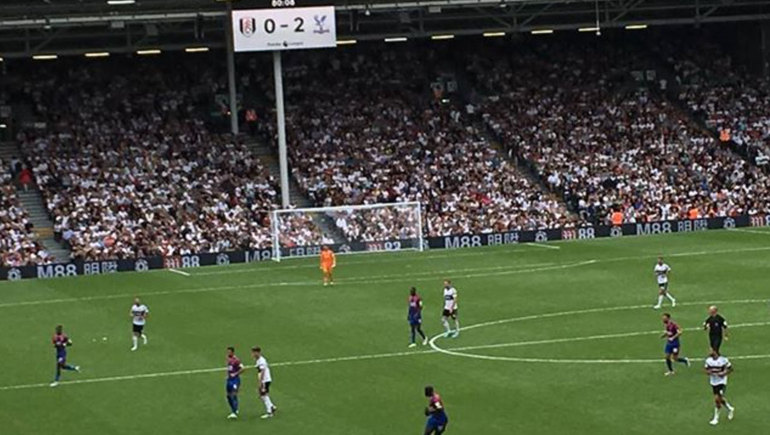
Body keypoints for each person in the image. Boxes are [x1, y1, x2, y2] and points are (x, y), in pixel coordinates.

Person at [705, 349, 735, 425]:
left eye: (710, 350)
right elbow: (706, 370)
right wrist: (709, 372)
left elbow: (731, 369)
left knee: (717, 399)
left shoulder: (723, 360)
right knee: (720, 399)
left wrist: (724, 373)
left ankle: (716, 418)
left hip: (722, 382)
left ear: (715, 351)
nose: (709, 352)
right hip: (713, 382)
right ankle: (730, 408)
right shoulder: (708, 360)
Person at [251, 346, 277, 419]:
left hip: (265, 380)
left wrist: (260, 382)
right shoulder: (258, 360)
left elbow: (262, 371)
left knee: (263, 395)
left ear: (258, 352)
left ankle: (269, 412)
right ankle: (272, 406)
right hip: (265, 380)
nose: (252, 354)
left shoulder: (261, 361)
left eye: (254, 352)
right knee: (263, 394)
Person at [225, 346, 244, 419]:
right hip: (229, 380)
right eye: (227, 351)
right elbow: (229, 369)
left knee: (234, 394)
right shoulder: (228, 358)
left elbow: (243, 368)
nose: (228, 353)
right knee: (228, 396)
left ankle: (234, 412)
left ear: (232, 352)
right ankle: (234, 409)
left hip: (235, 380)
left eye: (229, 352)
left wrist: (235, 374)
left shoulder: (236, 360)